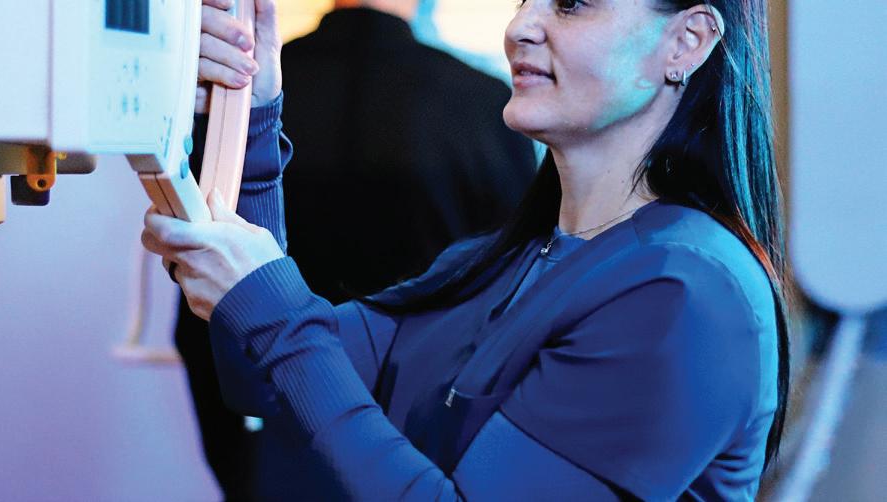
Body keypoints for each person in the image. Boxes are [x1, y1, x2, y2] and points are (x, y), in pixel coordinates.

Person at [148, 0, 790, 498]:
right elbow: (265, 376)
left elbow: (281, 334)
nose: (521, 27)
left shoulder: (683, 290)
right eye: (527, 0)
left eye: (571, 3)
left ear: (687, 41)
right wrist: (252, 115)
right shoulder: (497, 264)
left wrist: (269, 301)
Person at [171, 1, 537, 498]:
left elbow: (202, 297)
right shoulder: (483, 103)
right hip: (422, 446)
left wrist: (239, 470)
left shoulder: (238, 91)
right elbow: (509, 304)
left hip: (273, 428)